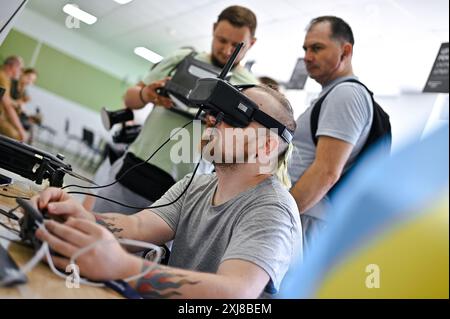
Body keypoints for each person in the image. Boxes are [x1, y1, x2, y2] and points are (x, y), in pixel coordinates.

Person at [33, 86, 302, 299]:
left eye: (234, 118)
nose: (215, 123)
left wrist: (123, 267)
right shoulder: (196, 185)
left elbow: (236, 292)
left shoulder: (273, 209)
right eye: (217, 114)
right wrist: (75, 216)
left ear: (266, 147)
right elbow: (137, 226)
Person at [86, 5, 260, 214]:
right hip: (136, 167)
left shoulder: (252, 90)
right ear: (213, 29)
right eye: (222, 40)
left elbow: (246, 148)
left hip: (184, 192)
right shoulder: (183, 58)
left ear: (252, 43)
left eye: (236, 45)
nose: (226, 50)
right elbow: (130, 98)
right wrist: (145, 94)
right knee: (96, 232)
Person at [289, 16, 374, 252]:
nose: (307, 56)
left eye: (317, 48)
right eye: (305, 49)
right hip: (303, 218)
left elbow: (326, 172)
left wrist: (281, 217)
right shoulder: (332, 94)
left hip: (305, 220)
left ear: (345, 51)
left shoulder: (346, 94)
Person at [0, 56, 27, 141]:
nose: (21, 72)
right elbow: (7, 106)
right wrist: (21, 130)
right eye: (20, 69)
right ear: (13, 66)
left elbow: (7, 101)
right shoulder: (2, 77)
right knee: (18, 137)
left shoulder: (6, 79)